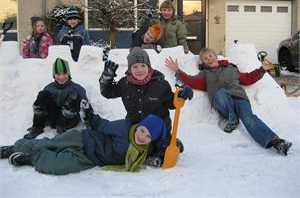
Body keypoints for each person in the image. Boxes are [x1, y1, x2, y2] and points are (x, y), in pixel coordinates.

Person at [165, 47, 292, 156]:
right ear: (203, 62)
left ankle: (276, 142)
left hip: (240, 98)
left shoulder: (231, 68)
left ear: (215, 56)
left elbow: (248, 78)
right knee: (220, 93)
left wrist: (262, 69)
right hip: (223, 103)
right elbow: (191, 80)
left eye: (210, 56)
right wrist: (178, 71)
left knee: (249, 118)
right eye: (205, 58)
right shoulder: (204, 75)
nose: (209, 59)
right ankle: (232, 118)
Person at [0, 102, 167, 175]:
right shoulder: (124, 128)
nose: (143, 136)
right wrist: (89, 116)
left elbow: (165, 148)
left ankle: (30, 159)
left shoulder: (144, 152)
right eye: (143, 130)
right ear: (139, 126)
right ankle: (14, 148)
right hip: (83, 139)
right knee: (49, 143)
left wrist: (172, 146)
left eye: (148, 136)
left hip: (90, 158)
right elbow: (102, 125)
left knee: (59, 165)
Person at [99, 47, 193, 167]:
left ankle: (173, 144)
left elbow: (171, 103)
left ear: (148, 66)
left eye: (143, 66)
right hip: (136, 128)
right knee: (124, 149)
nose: (139, 70)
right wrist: (106, 78)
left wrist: (181, 95)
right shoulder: (124, 84)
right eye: (135, 67)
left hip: (158, 129)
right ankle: (150, 153)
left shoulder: (161, 84)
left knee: (162, 149)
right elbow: (108, 93)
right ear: (130, 69)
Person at [23, 57, 88, 139]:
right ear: (54, 75)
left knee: (74, 96)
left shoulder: (77, 88)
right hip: (53, 119)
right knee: (42, 94)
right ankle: (37, 127)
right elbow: (42, 105)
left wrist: (89, 120)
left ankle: (61, 128)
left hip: (68, 122)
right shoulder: (49, 87)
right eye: (58, 74)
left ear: (68, 74)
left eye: (64, 74)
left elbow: (86, 106)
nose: (61, 77)